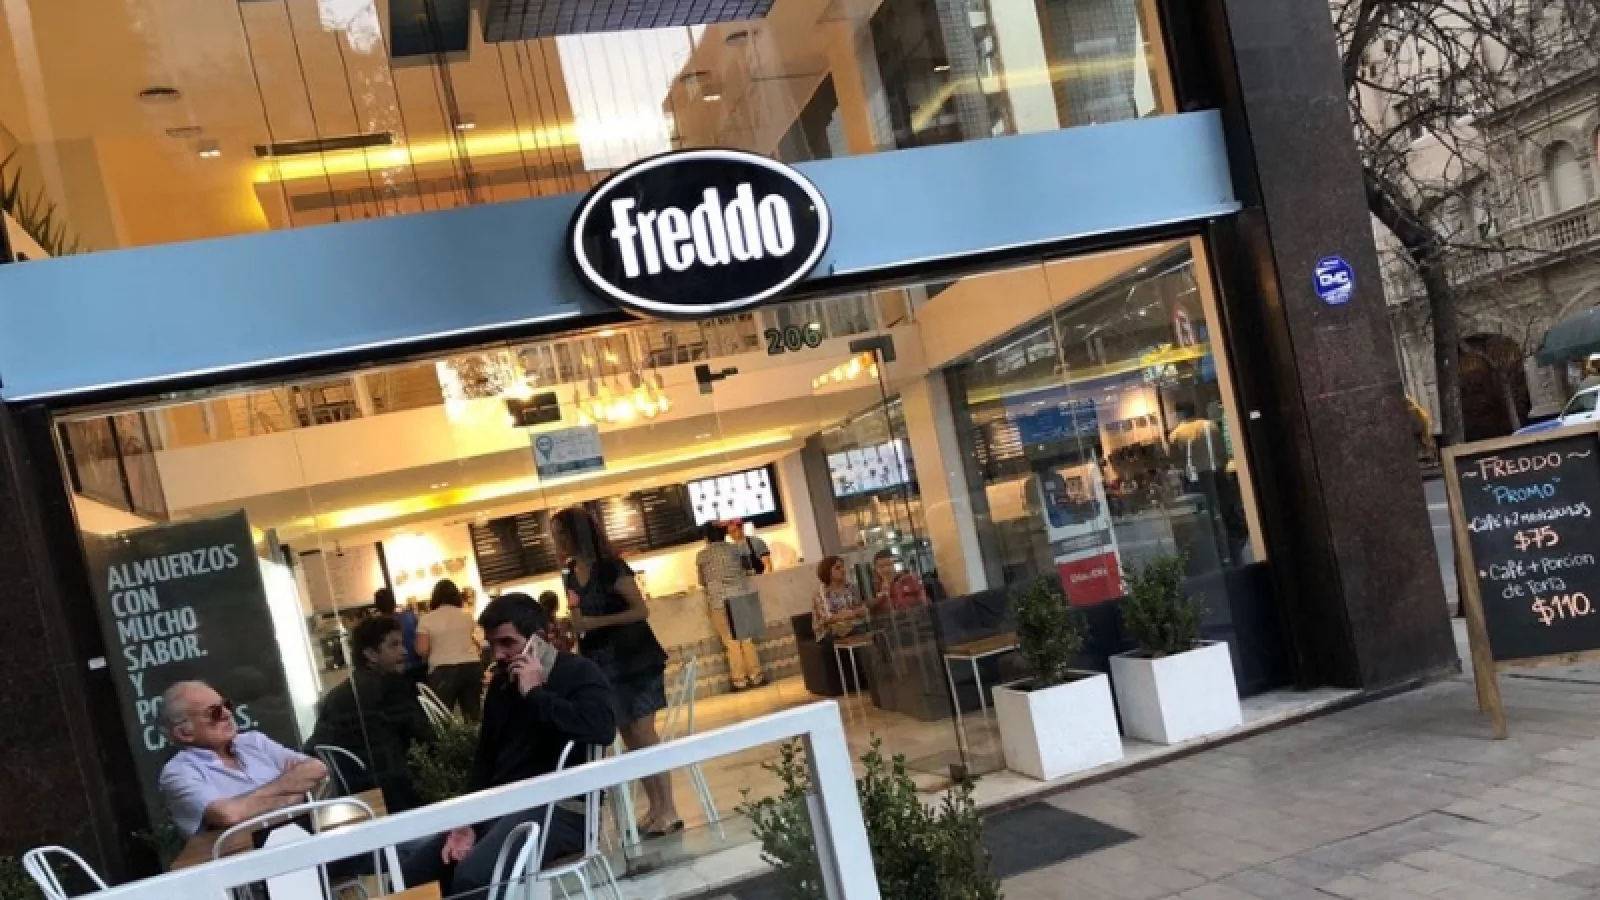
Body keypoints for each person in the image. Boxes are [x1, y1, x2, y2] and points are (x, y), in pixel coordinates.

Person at [401, 594, 616, 897]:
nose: (499, 654)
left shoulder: (577, 672)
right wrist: (467, 821)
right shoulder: (501, 686)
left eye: (508, 643)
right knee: (414, 874)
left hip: (563, 810)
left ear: (538, 639)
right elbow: (485, 760)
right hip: (504, 807)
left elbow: (602, 729)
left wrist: (536, 694)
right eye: (492, 645)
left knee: (473, 876)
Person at [552, 505, 681, 837]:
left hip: (635, 658)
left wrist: (596, 622)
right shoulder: (570, 574)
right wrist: (571, 626)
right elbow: (582, 618)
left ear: (577, 534)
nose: (557, 541)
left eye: (561, 534)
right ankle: (654, 806)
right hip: (603, 664)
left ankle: (669, 808)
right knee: (628, 735)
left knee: (643, 732)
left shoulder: (611, 567)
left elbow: (640, 610)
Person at [158, 680, 329, 836]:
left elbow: (317, 768)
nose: (227, 714)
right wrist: (294, 791)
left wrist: (246, 804)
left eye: (226, 705)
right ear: (185, 733)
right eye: (214, 712)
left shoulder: (254, 742)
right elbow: (229, 815)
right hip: (244, 855)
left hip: (305, 836)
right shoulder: (178, 773)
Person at [307, 615, 434, 813]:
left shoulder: (334, 698)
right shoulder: (392, 690)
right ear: (371, 654)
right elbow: (427, 741)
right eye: (394, 645)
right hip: (403, 795)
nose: (404, 651)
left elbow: (314, 747)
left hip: (355, 799)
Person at [696, 522, 766, 691]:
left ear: (706, 538)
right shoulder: (736, 549)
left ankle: (739, 681)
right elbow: (748, 570)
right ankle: (756, 677)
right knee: (746, 639)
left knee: (731, 642)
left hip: (718, 602)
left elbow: (702, 582)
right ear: (724, 534)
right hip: (740, 597)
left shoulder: (701, 556)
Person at [418, 579, 485, 722]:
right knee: (473, 716)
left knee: (442, 719)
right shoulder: (467, 616)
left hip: (443, 671)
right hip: (471, 667)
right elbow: (478, 641)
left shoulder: (426, 620)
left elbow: (421, 650)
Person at [375, 586, 426, 685]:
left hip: (396, 671)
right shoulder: (409, 617)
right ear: (394, 602)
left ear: (377, 606)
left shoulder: (379, 626)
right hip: (418, 666)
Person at [814, 555, 867, 639]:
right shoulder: (821, 593)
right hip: (829, 632)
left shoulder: (850, 587)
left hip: (853, 626)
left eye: (843, 567)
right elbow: (828, 618)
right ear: (827, 572)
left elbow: (860, 608)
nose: (843, 570)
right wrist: (852, 613)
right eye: (837, 568)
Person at [870, 549, 927, 616]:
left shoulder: (909, 580)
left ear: (894, 564)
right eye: (881, 566)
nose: (886, 569)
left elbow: (925, 602)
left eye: (889, 564)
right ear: (876, 569)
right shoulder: (873, 589)